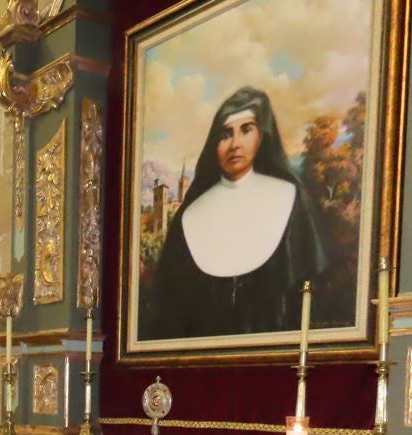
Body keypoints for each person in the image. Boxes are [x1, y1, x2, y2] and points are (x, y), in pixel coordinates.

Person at [141, 86, 328, 341]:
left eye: (246, 130)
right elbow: (171, 311)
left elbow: (312, 293)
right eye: (226, 134)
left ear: (262, 135)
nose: (235, 144)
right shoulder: (190, 215)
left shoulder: (291, 198)